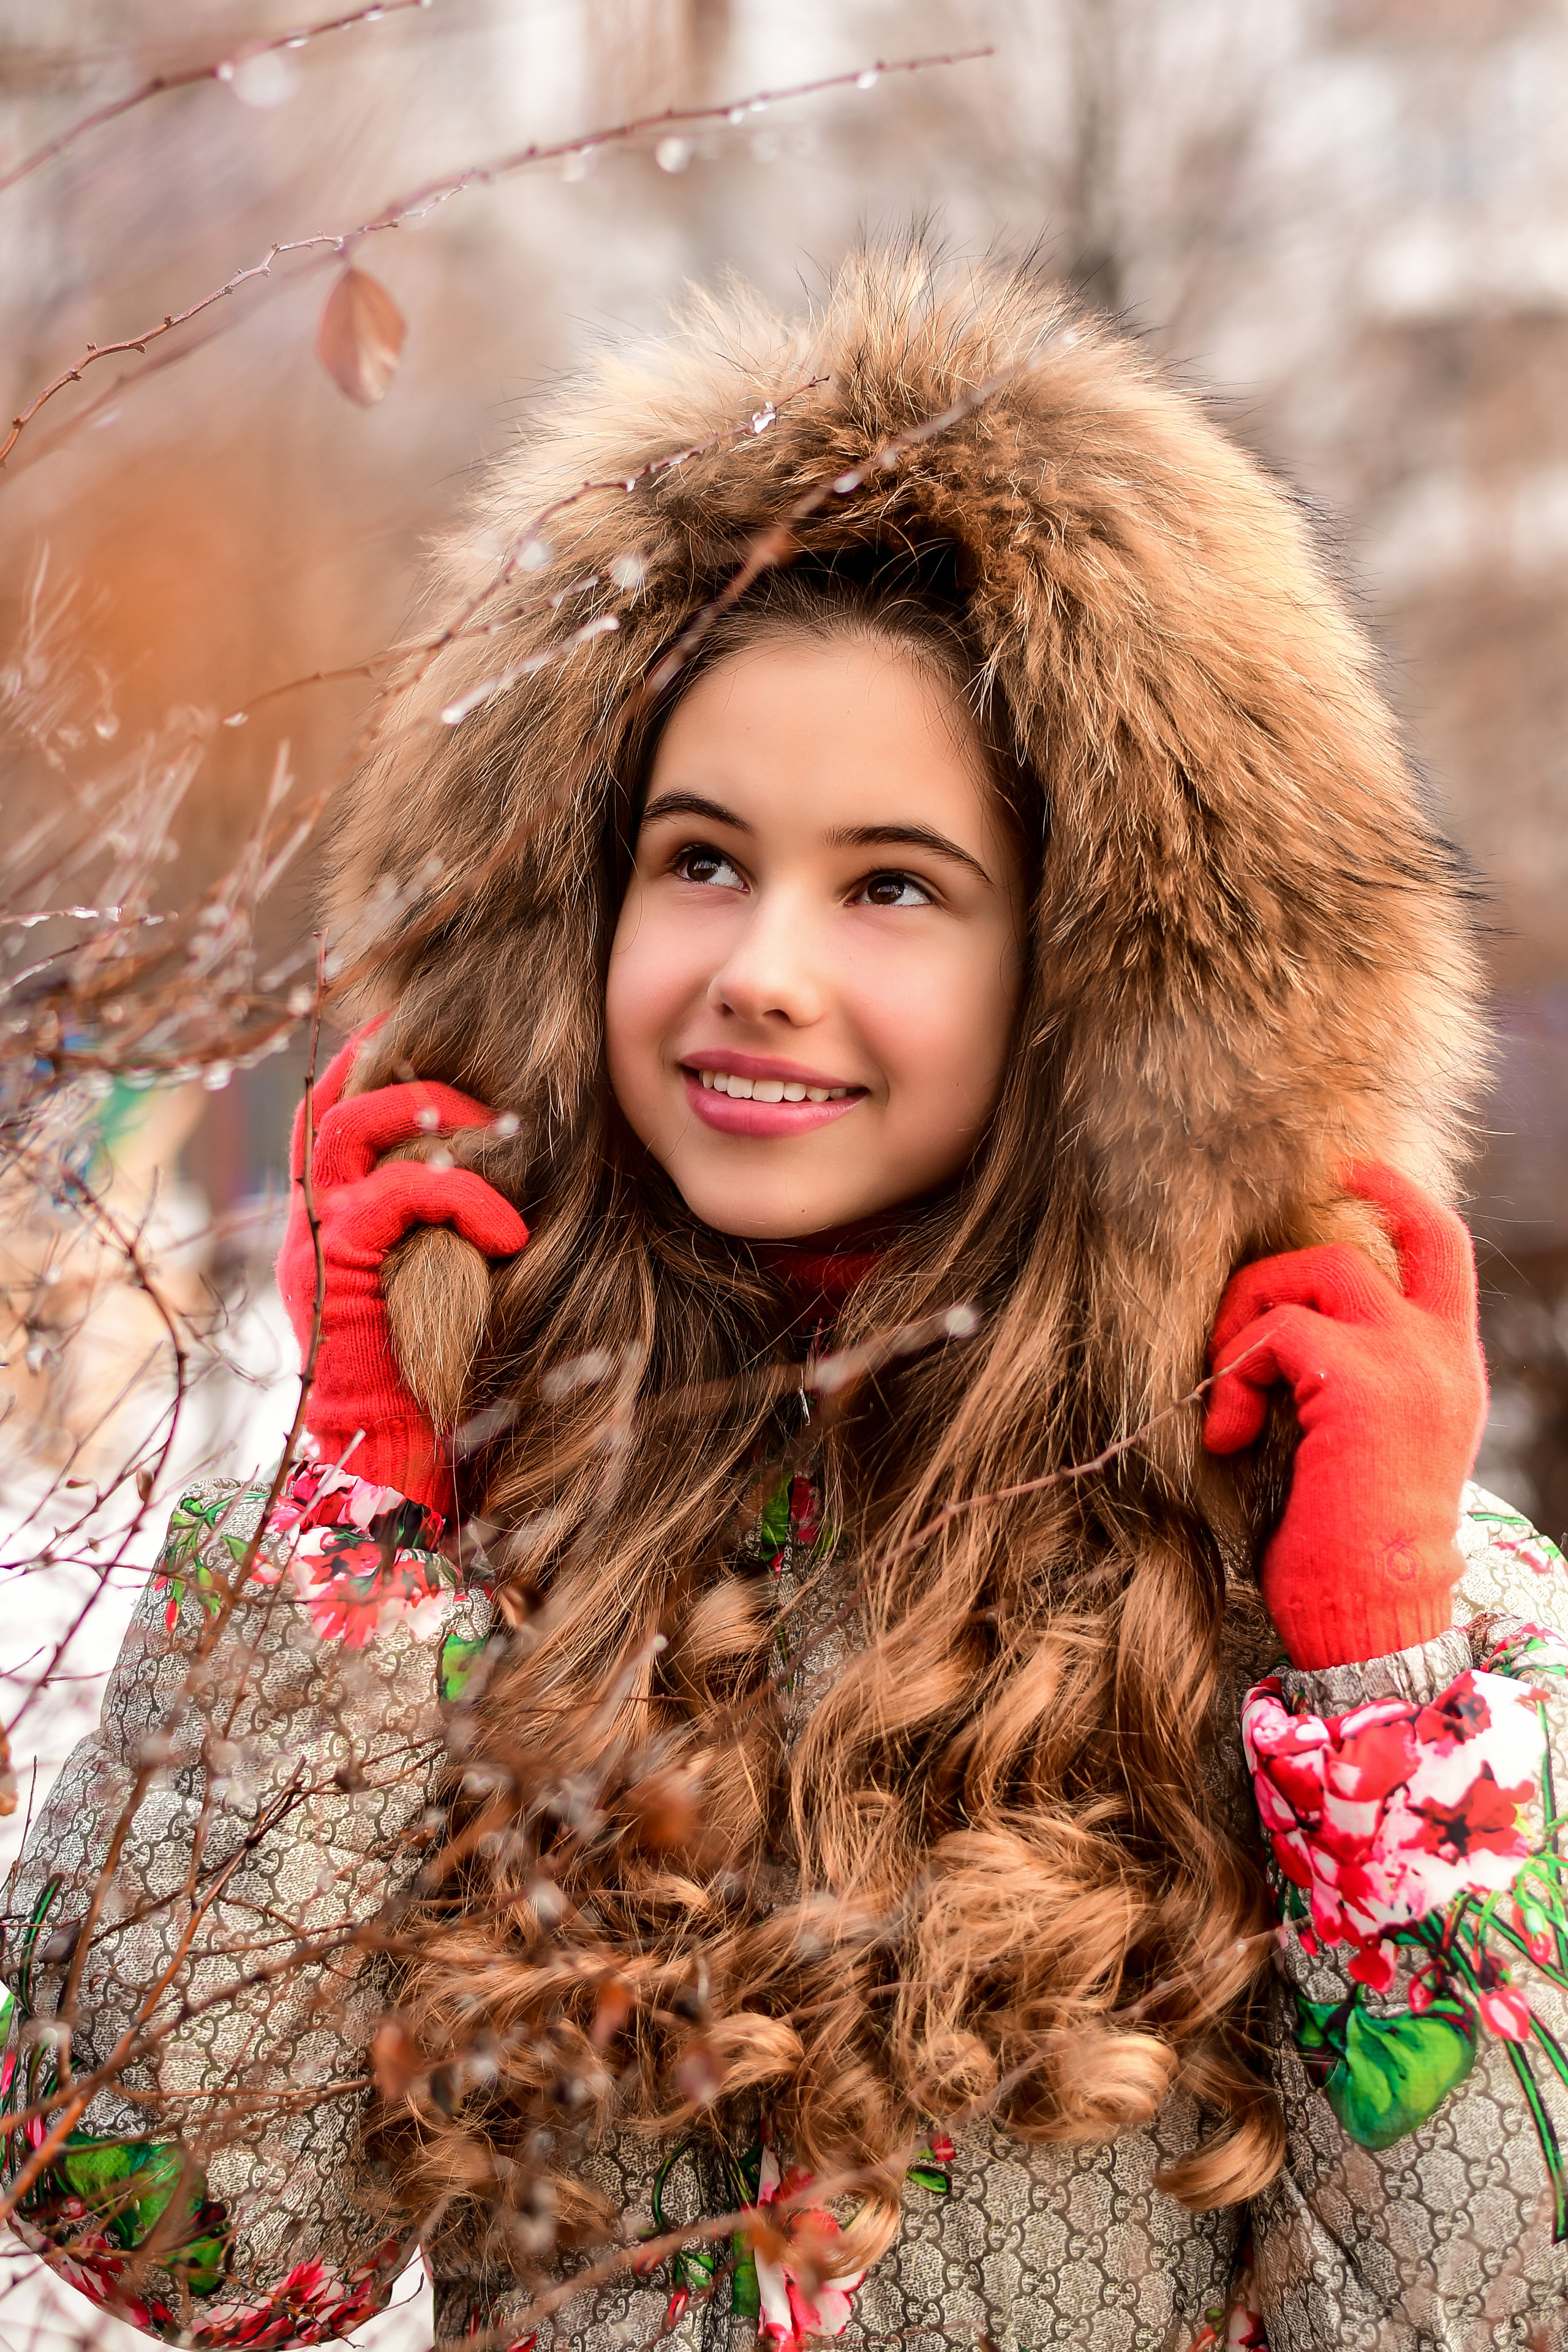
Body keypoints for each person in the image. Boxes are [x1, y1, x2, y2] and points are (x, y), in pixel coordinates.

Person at [6, 247, 1568, 2352]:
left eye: (895, 884)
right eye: (703, 858)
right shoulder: (506, 1524)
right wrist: (354, 1535)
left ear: (1100, 979)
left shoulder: (1353, 1611)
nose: (763, 964)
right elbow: (170, 2237)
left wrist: (1380, 1692)